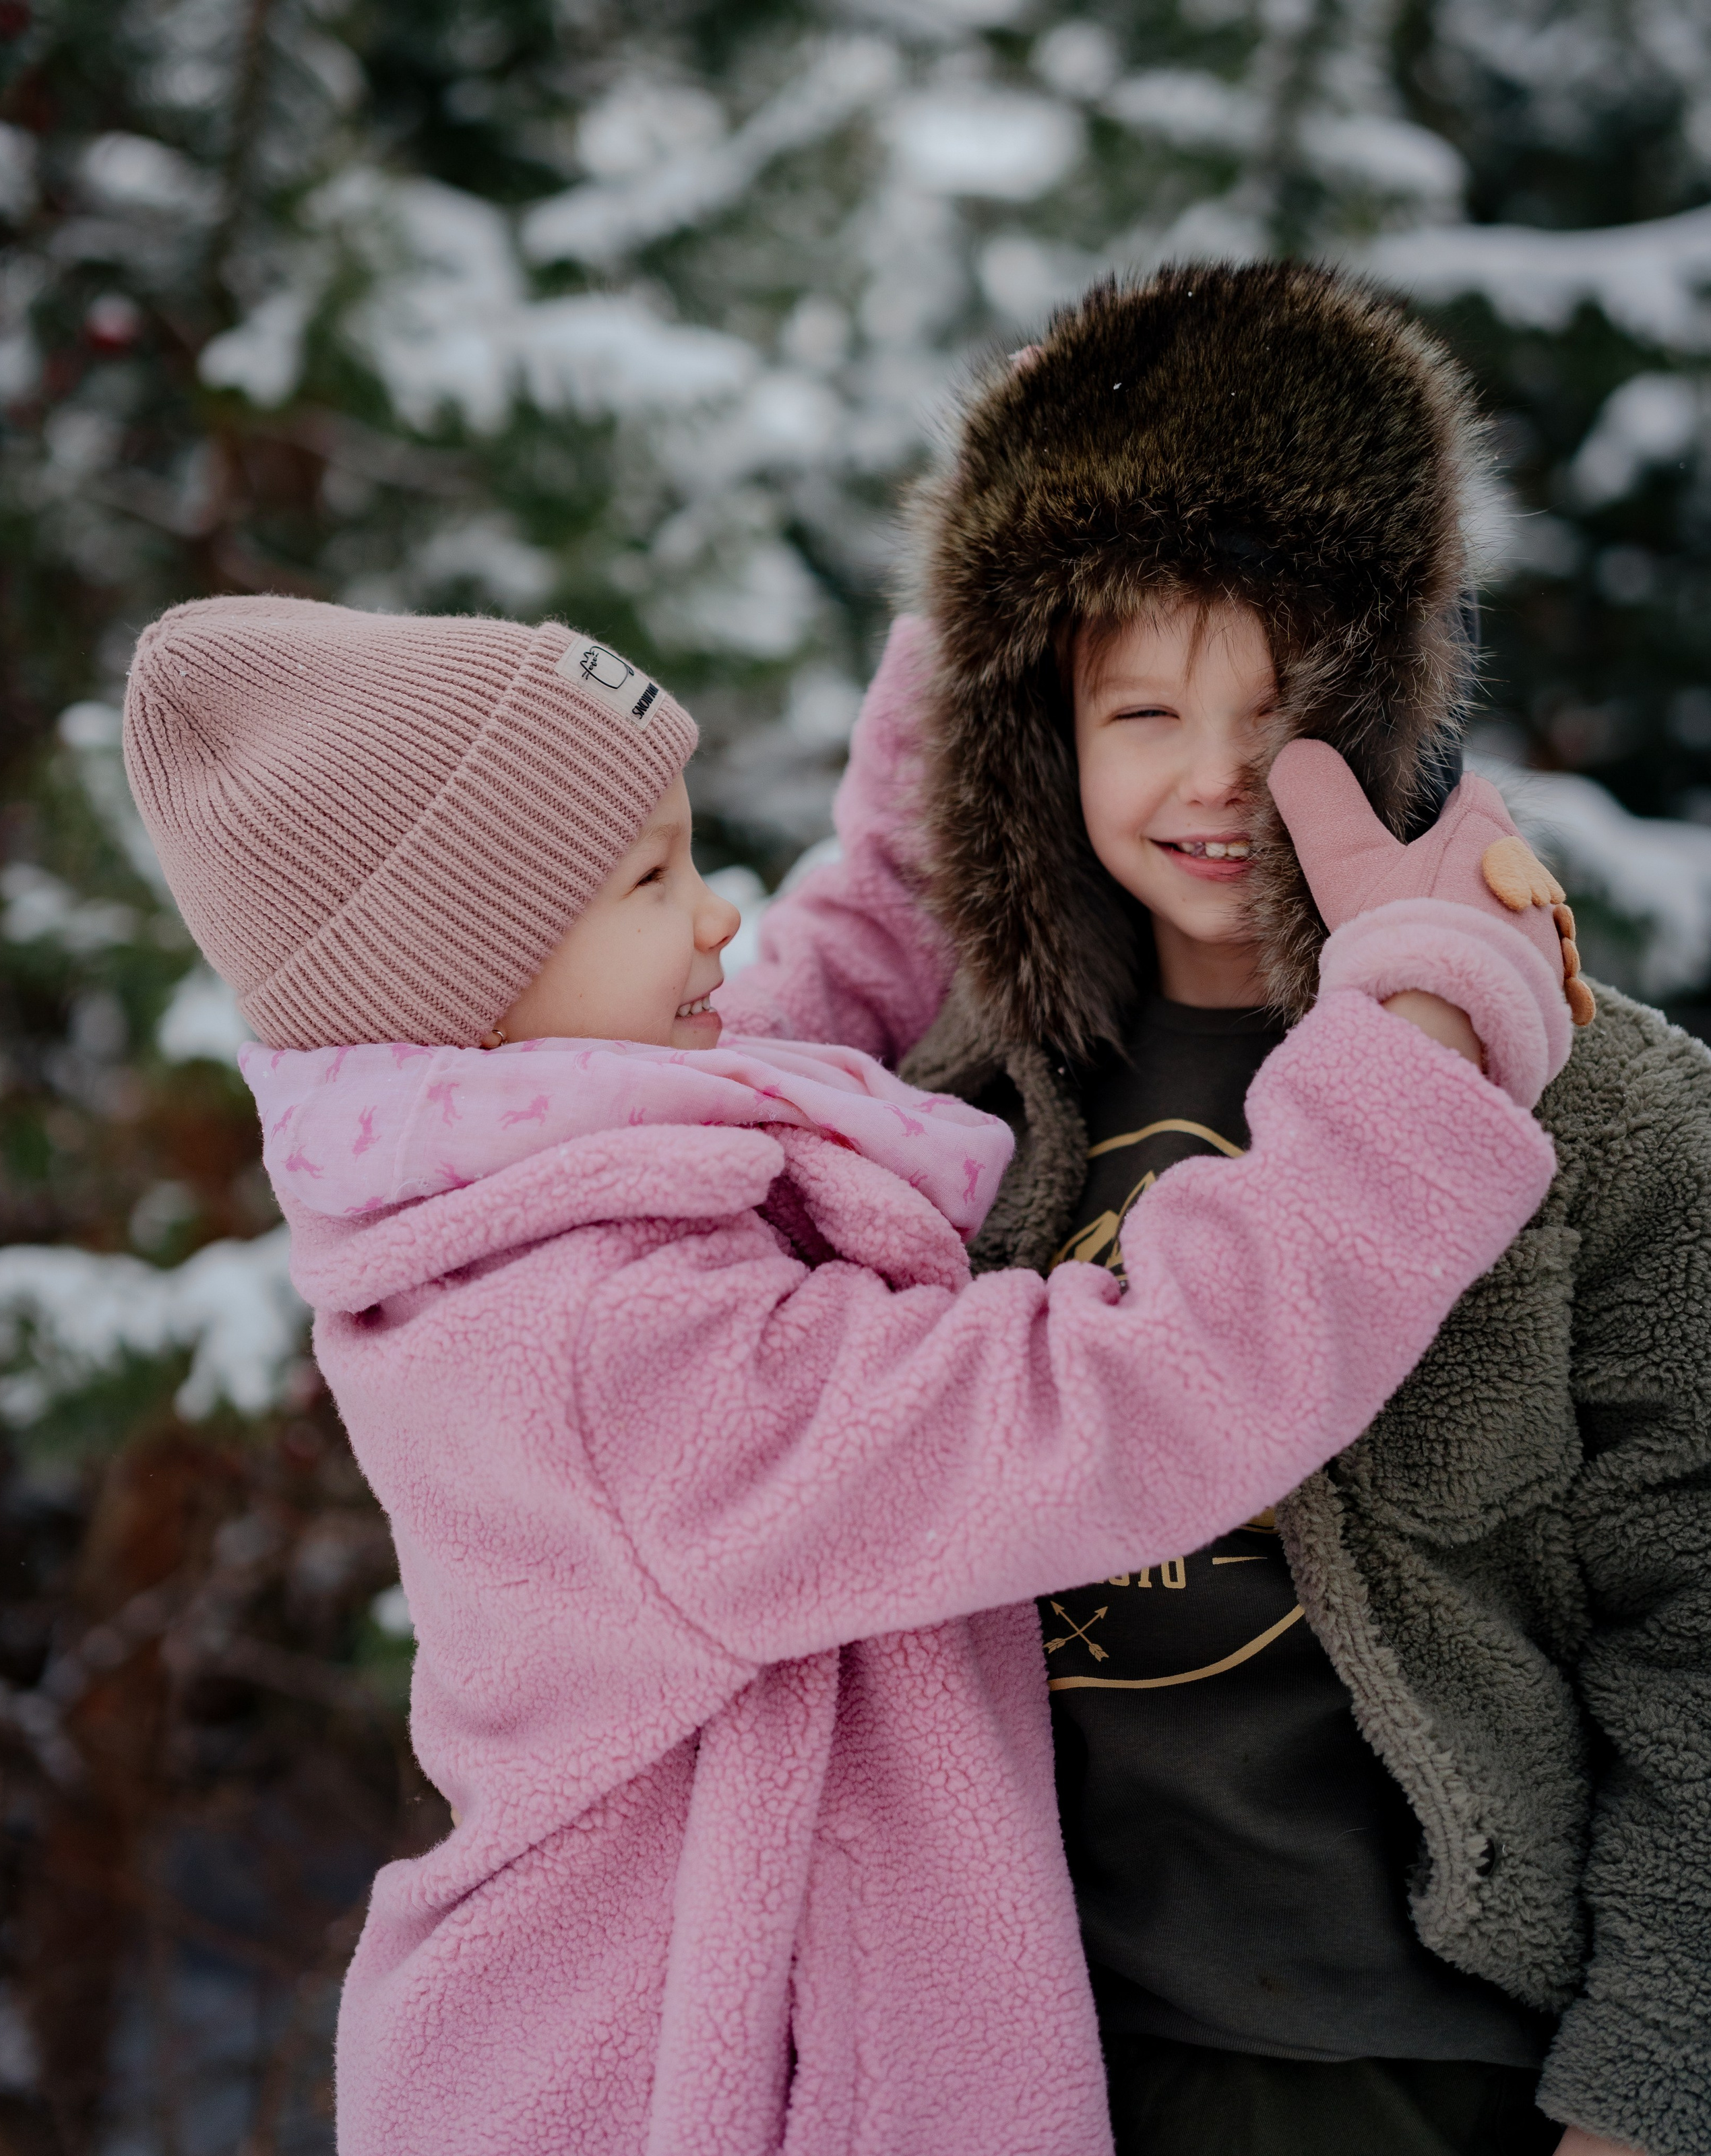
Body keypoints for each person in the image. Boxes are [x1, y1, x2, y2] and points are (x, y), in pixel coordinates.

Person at [117, 590, 1569, 2156]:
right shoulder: (598, 1351)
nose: (715, 918)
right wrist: (1418, 1042)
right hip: (683, 2092)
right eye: (649, 877)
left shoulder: (520, 1137)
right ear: (473, 973)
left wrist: (980, 610)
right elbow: (1123, 1394)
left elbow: (862, 937)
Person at [718, 263, 1709, 2156]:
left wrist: (1654, 2091)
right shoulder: (944, 1110)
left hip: (1409, 2063)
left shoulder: (1595, 1109)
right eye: (1142, 708)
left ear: (1390, 690)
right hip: (1007, 2055)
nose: (1214, 778)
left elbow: (1701, 1629)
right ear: (1037, 737)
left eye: (1282, 705)